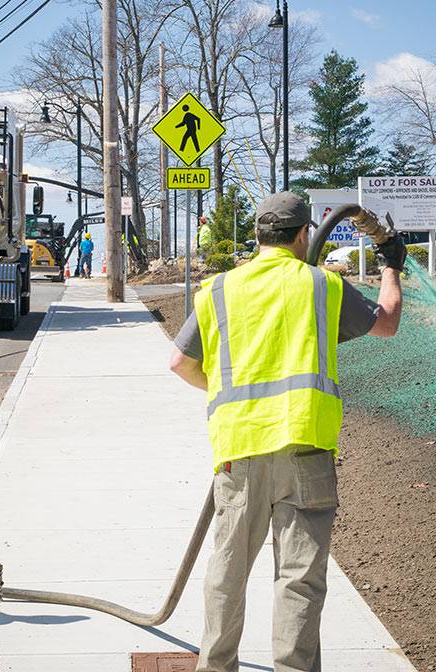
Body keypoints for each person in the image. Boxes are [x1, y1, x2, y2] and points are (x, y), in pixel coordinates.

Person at [169, 192, 406, 672]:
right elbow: (388, 322)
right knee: (298, 580)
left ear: (258, 236)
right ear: (303, 235)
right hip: (305, 449)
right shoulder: (322, 286)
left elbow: (179, 362)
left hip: (238, 451)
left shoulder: (218, 290)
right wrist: (390, 267)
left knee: (227, 573)